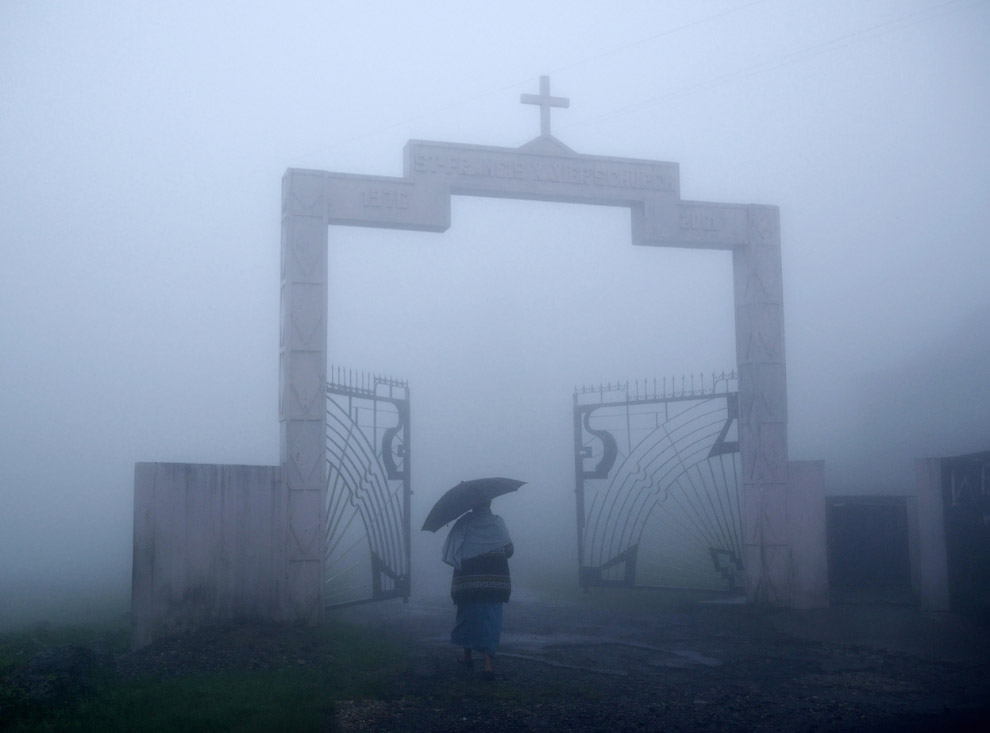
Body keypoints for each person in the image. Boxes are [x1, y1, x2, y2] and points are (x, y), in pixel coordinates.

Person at [441, 501, 513, 680]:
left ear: (473, 505)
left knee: (467, 616)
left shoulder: (464, 522)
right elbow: (510, 550)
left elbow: (453, 548)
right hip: (494, 582)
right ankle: (488, 665)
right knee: (491, 619)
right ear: (490, 503)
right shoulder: (498, 522)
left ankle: (467, 656)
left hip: (469, 581)